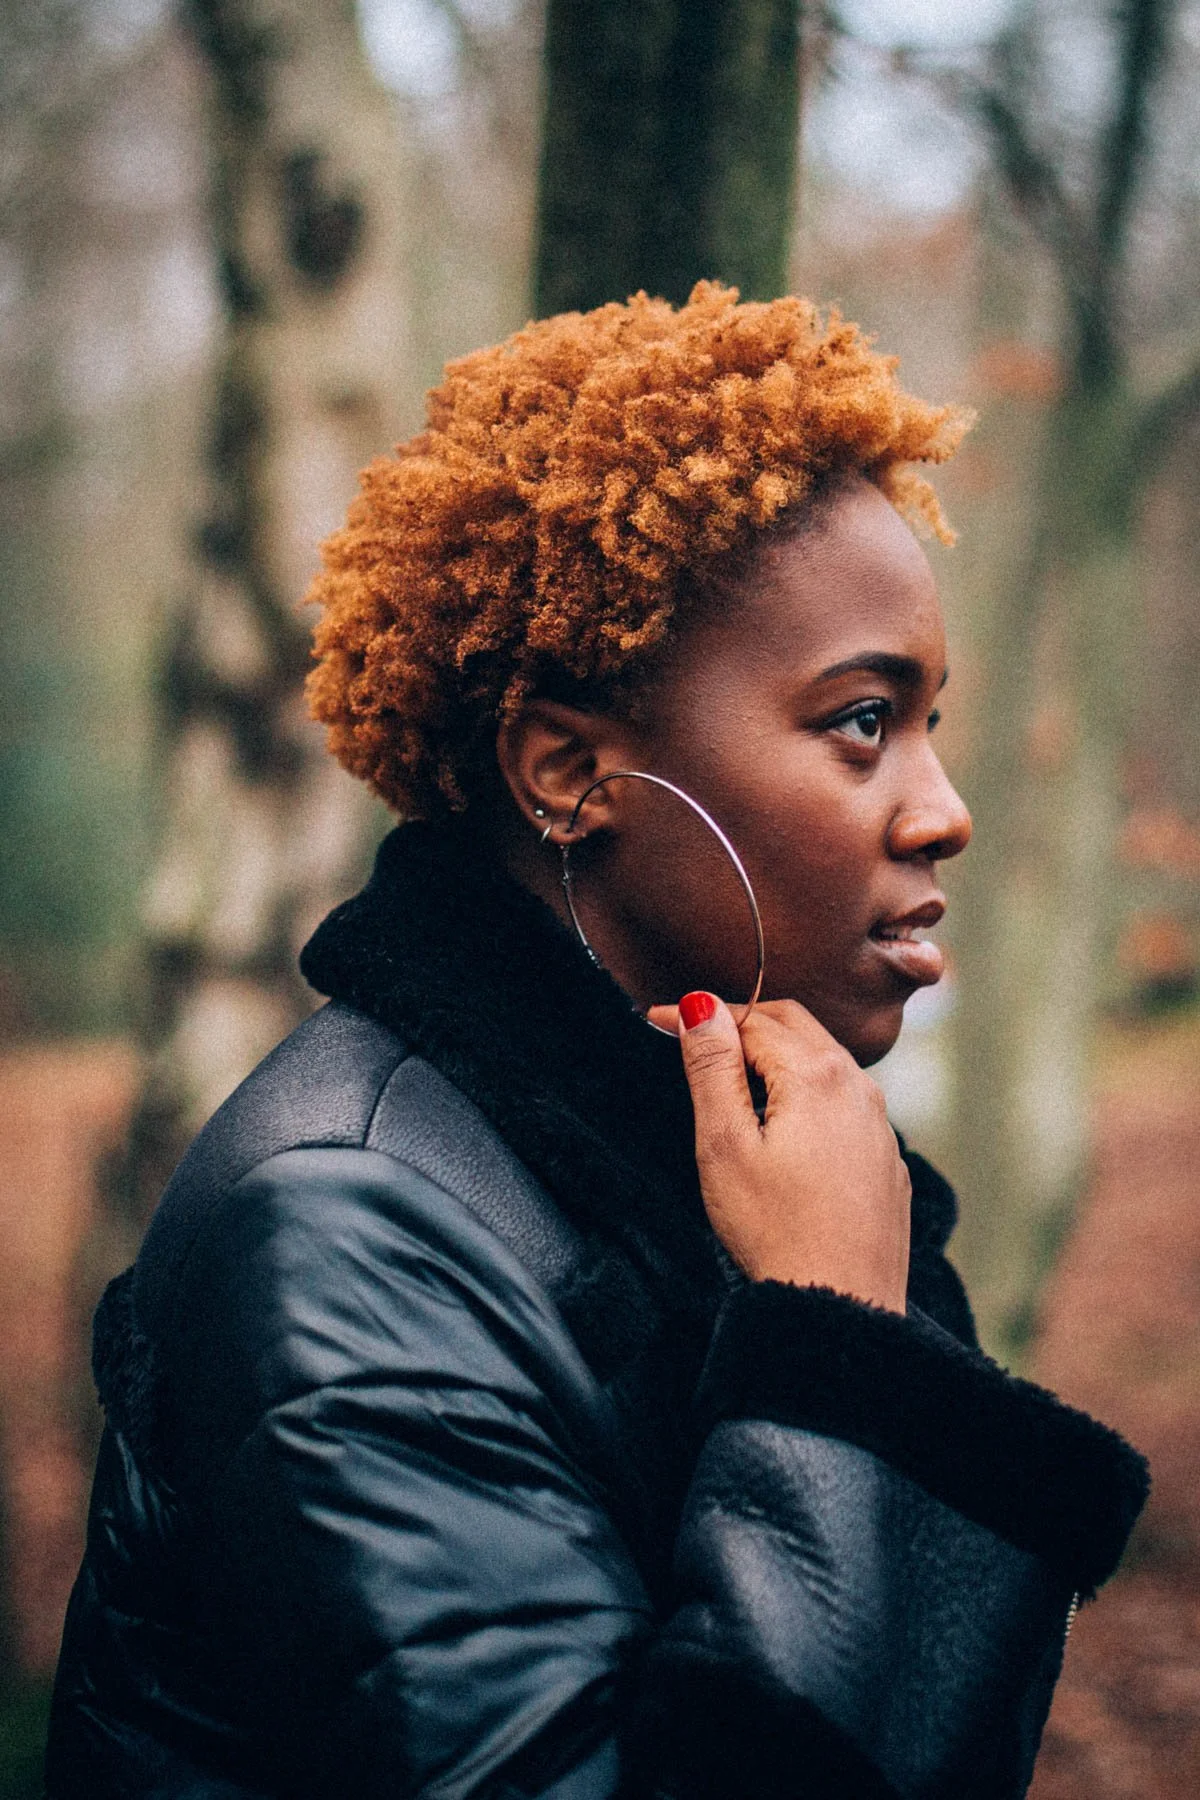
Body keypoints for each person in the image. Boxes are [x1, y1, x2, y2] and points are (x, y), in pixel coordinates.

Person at [47, 283, 1147, 1799]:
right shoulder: (340, 1231)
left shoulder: (718, 1161)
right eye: (860, 721)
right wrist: (829, 1342)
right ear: (569, 773)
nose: (943, 806)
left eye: (934, 719)